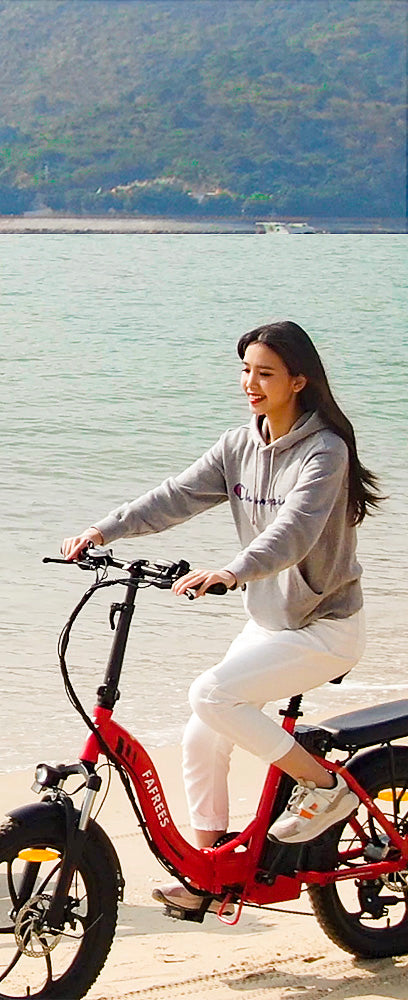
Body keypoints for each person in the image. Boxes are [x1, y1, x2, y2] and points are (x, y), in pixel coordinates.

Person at [61, 320, 383, 912]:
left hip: (325, 626)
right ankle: (210, 875)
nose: (250, 384)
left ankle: (323, 786)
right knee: (201, 734)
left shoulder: (325, 451)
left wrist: (233, 571)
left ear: (299, 381)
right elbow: (175, 496)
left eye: (265, 374)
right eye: (245, 371)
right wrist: (103, 530)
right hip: (269, 622)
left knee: (210, 694)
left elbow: (294, 532)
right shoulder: (239, 446)